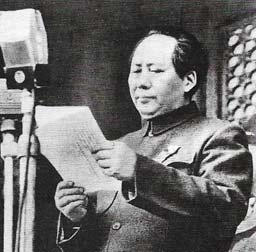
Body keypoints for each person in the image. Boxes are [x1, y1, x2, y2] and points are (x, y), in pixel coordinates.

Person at [54, 26, 253, 252]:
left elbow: (227, 208)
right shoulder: (121, 145)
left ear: (188, 81)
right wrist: (77, 219)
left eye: (155, 71)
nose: (141, 83)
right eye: (136, 70)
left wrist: (139, 171)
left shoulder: (218, 134)